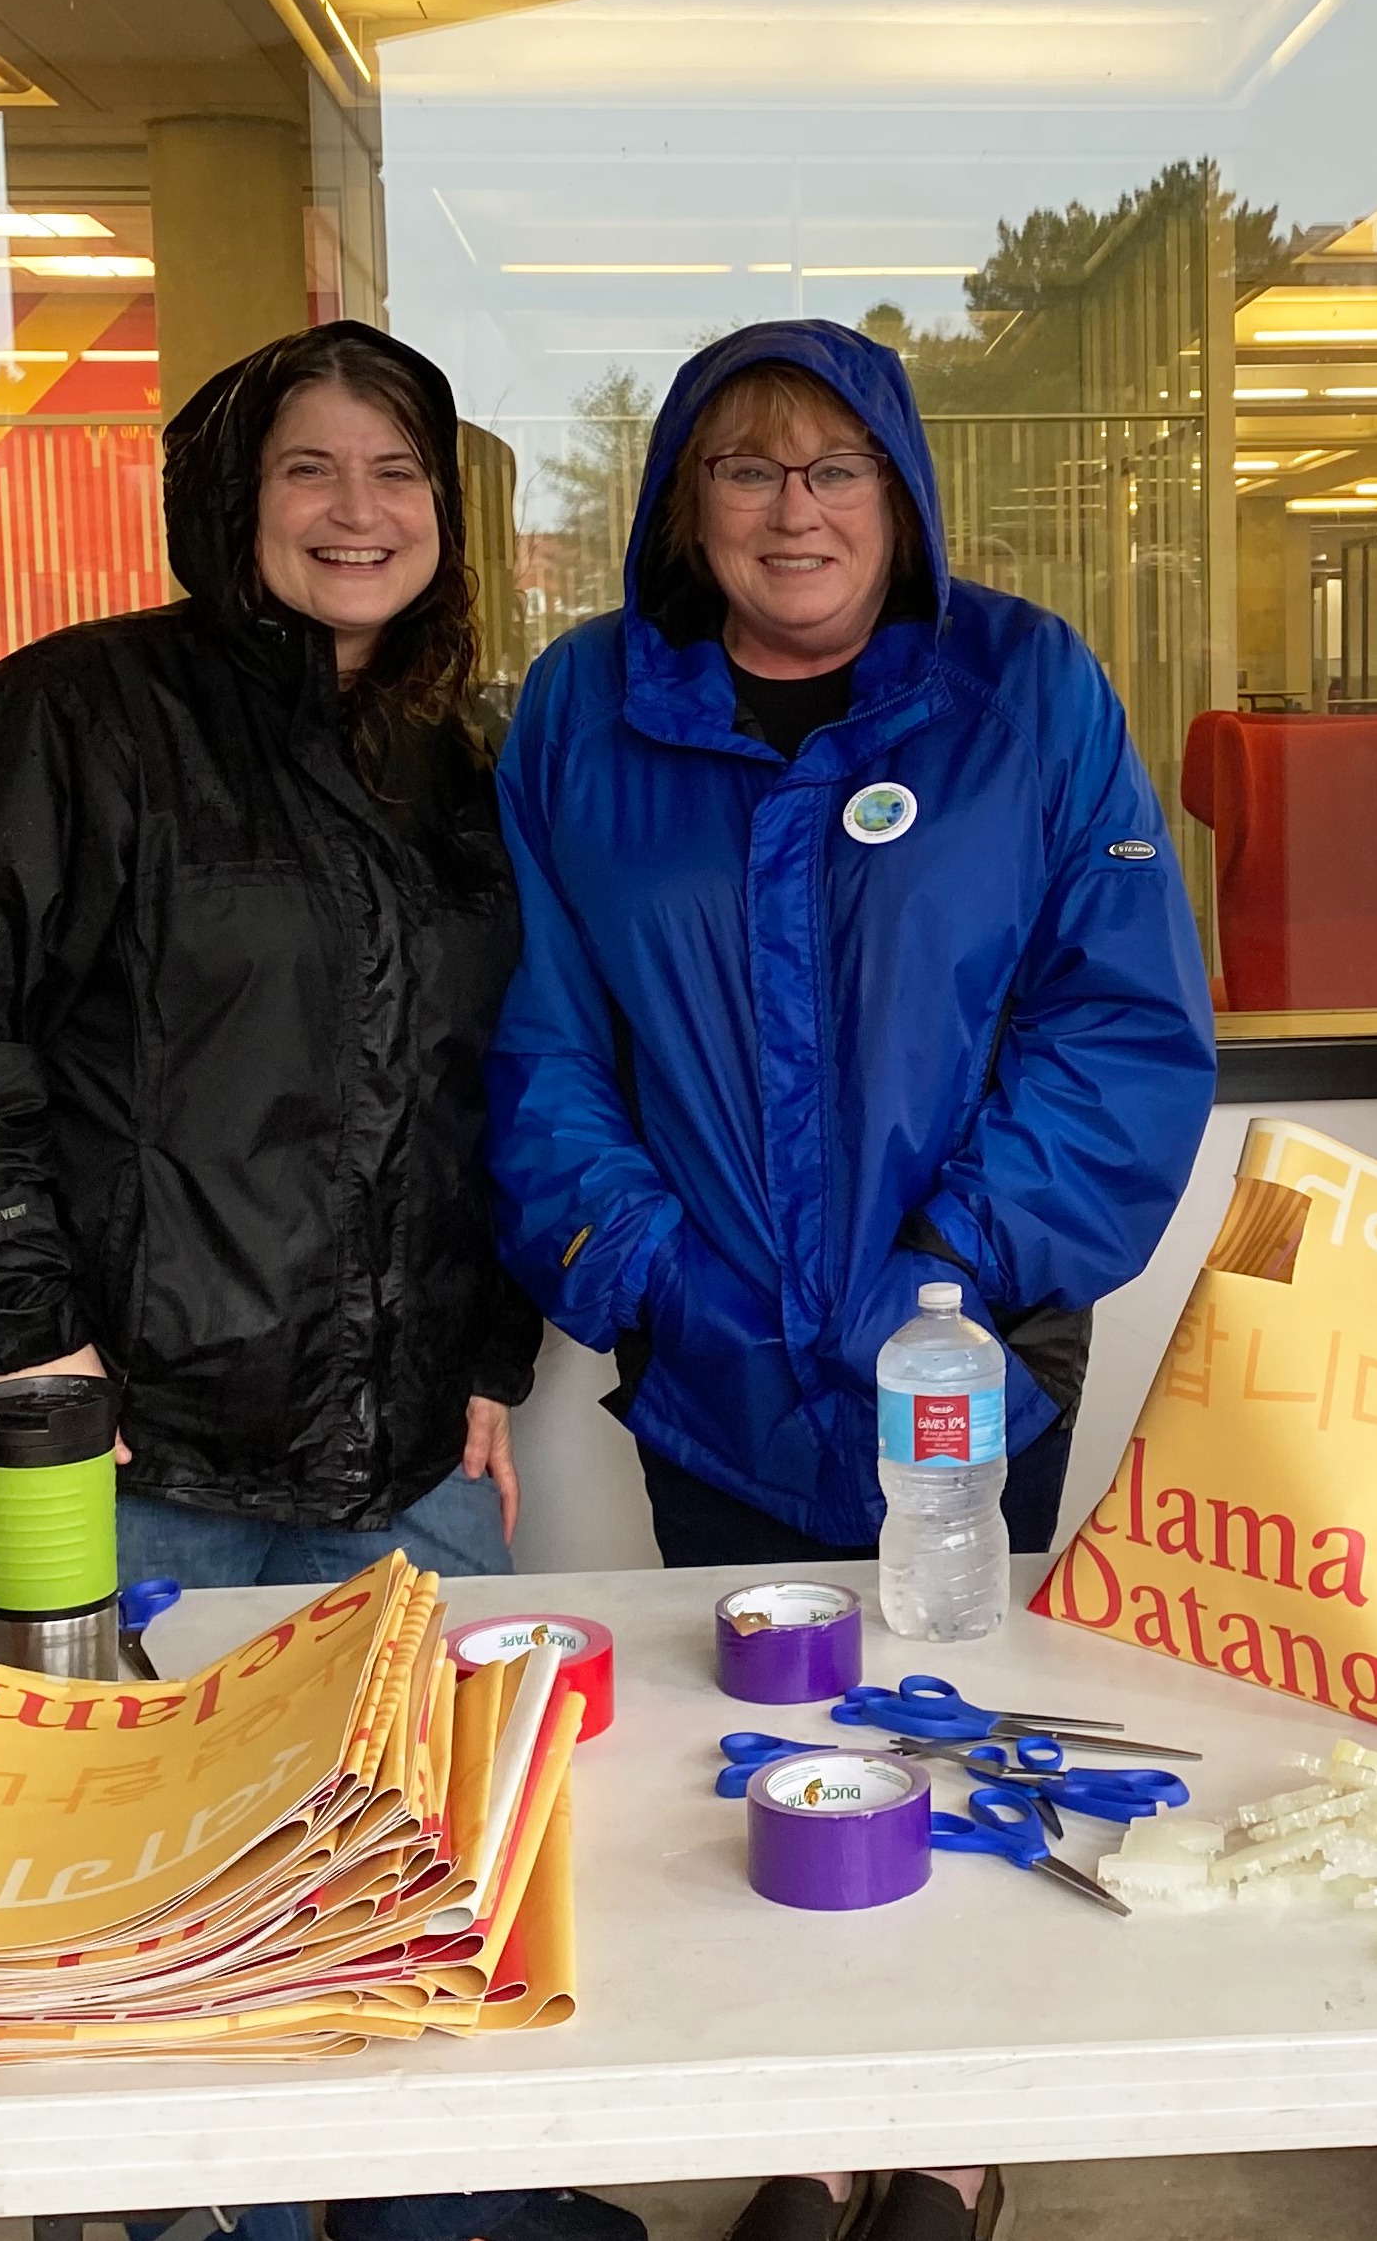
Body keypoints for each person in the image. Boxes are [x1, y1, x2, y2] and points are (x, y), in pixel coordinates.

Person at [0, 319, 642, 2241]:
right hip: (140, 1450)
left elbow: (478, 1084)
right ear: (231, 497)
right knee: (181, 1935)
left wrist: (481, 1348)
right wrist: (29, 1339)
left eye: (396, 474)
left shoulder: (452, 765)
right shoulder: (74, 722)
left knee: (420, 1884)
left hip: (404, 1447)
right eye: (311, 468)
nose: (357, 512)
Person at [483, 321, 1218, 2240]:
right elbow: (539, 1042)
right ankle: (821, 2126)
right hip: (710, 1356)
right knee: (771, 1737)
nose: (791, 509)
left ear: (900, 499)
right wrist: (646, 1273)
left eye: (834, 470)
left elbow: (1118, 1028)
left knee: (968, 1708)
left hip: (973, 1353)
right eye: (745, 469)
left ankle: (956, 2133)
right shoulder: (587, 711)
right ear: (682, 507)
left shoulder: (1025, 692)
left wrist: (955, 1261)